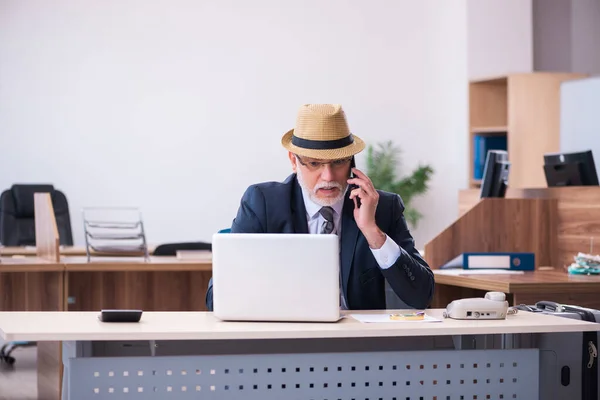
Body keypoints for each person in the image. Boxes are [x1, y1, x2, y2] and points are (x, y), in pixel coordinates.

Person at [206, 104, 434, 311]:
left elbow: (421, 296)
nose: (328, 176)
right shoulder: (263, 203)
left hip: (359, 343)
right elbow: (217, 297)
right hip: (287, 337)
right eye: (314, 163)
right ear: (293, 161)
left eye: (338, 162)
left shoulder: (382, 207)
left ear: (351, 163)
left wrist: (372, 231)